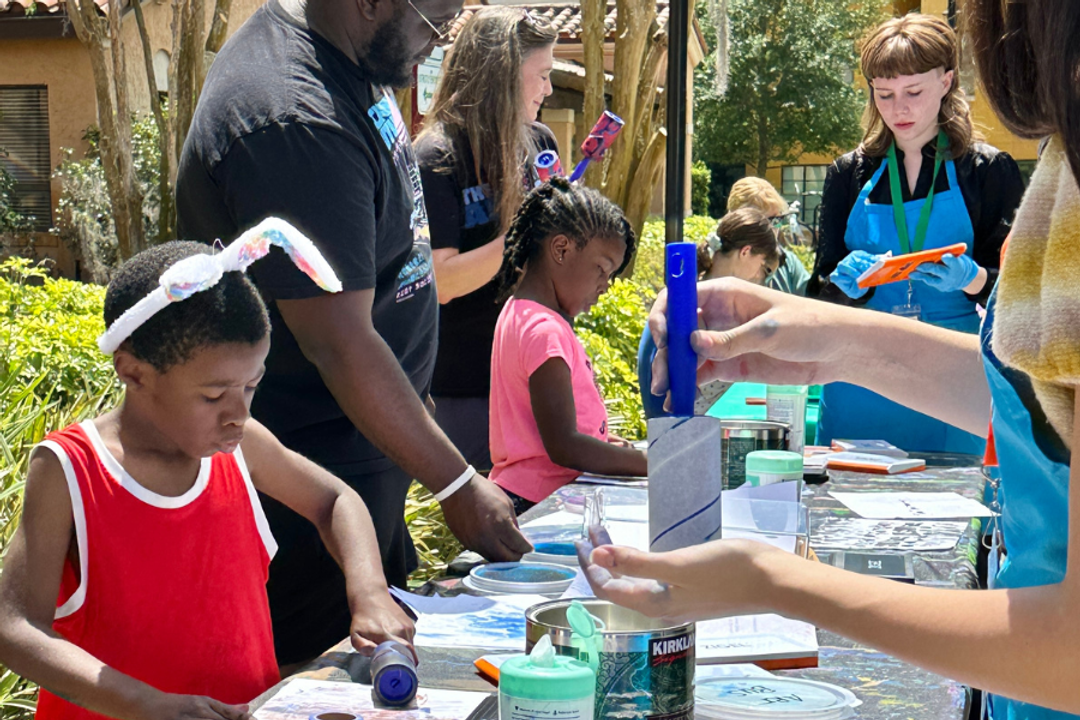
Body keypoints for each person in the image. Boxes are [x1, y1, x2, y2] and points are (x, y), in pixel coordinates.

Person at [581, 2, 1080, 717]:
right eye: (885, 92)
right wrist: (830, 336)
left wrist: (774, 582)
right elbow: (1036, 405)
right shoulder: (1060, 167)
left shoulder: (1007, 170)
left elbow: (1070, 649)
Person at [175, 0, 532, 667]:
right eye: (433, 22)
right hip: (305, 501)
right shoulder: (295, 119)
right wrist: (456, 484)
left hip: (363, 473)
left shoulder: (352, 55)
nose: (438, 43)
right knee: (318, 688)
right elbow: (337, 342)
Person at [0, 237, 415, 720]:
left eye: (251, 385)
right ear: (134, 373)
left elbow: (334, 501)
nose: (238, 414)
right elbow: (14, 627)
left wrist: (370, 592)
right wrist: (146, 705)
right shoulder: (70, 468)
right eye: (214, 395)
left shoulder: (242, 448)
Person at [807, 13, 1024, 454]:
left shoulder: (987, 171)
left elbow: (1020, 299)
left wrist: (973, 279)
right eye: (884, 94)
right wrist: (845, 286)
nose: (898, 109)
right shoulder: (848, 174)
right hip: (860, 381)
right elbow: (818, 297)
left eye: (913, 92)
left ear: (946, 82)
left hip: (953, 382)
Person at [416, 7, 559, 472]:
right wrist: (521, 229)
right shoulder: (436, 155)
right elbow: (442, 281)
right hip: (466, 387)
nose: (548, 89)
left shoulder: (540, 144)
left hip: (538, 371)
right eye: (542, 75)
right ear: (503, 75)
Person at [489, 180, 646, 515]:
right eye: (602, 270)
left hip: (525, 493)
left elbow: (543, 429)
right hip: (540, 503)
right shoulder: (544, 330)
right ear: (561, 249)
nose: (605, 286)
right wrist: (651, 463)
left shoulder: (520, 313)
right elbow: (563, 446)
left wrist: (601, 443)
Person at [639, 207, 782, 418]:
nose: (760, 278)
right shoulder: (710, 311)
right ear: (745, 252)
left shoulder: (683, 293)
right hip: (687, 426)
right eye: (763, 268)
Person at [726, 176, 811, 296]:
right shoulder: (717, 261)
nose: (772, 230)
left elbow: (814, 301)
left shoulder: (787, 263)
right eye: (763, 222)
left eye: (777, 220)